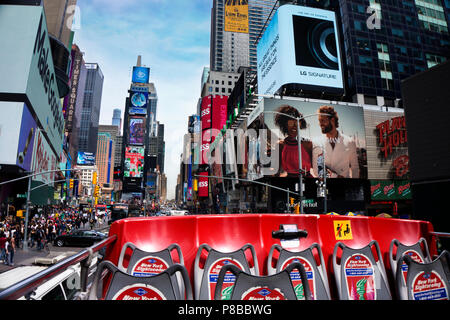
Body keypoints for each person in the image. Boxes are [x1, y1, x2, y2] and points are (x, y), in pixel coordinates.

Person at [312, 105, 360, 179]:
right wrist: (335, 176)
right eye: (319, 121)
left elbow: (355, 168)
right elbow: (317, 170)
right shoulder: (316, 142)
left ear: (333, 120)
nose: (320, 124)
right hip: (326, 186)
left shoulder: (349, 141)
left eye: (323, 120)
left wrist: (353, 186)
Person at [273, 105, 313, 178]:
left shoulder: (308, 144)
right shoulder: (280, 145)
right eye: (291, 123)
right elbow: (276, 170)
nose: (294, 126)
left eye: (297, 123)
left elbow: (317, 167)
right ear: (285, 125)